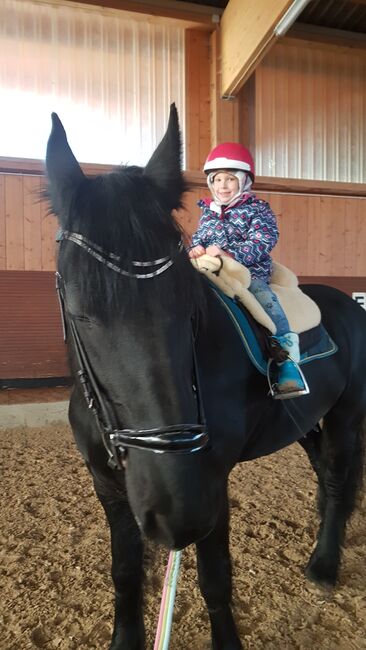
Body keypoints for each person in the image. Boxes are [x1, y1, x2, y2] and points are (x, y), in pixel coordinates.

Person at [189, 142, 307, 399]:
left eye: (230, 179)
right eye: (217, 179)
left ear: (243, 181)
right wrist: (195, 247)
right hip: (213, 271)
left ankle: (287, 358)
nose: (222, 185)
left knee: (265, 299)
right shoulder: (208, 212)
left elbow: (264, 240)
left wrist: (230, 254)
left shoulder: (257, 209)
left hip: (248, 273)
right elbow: (199, 236)